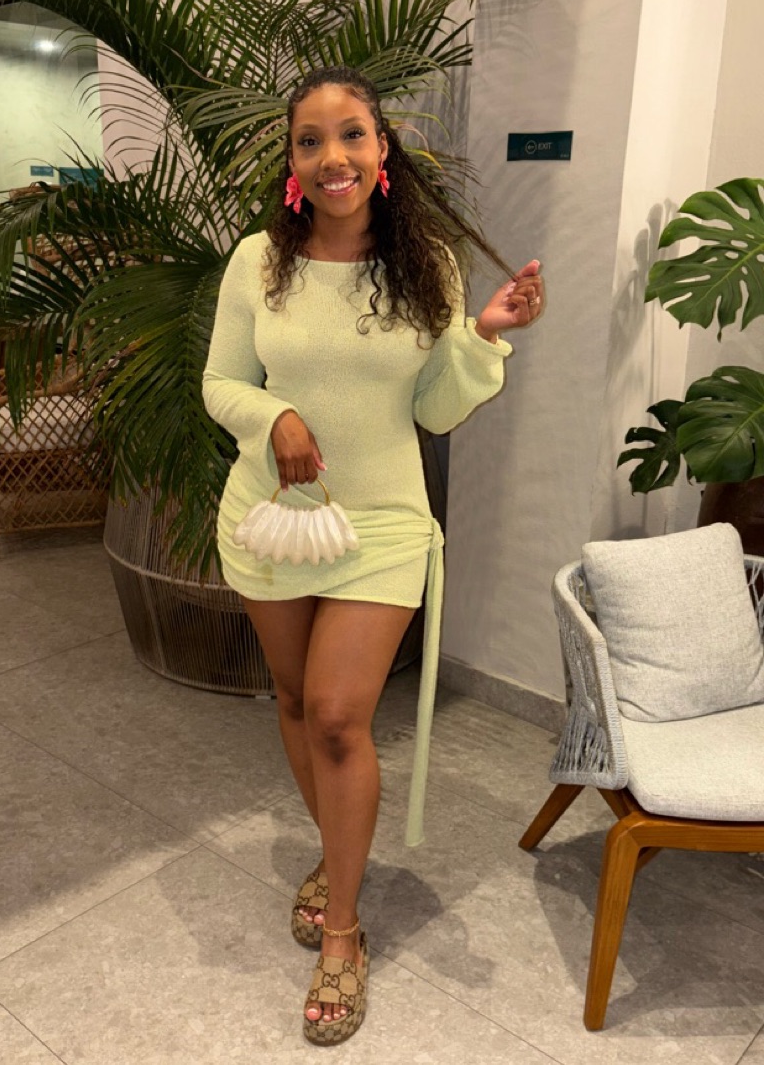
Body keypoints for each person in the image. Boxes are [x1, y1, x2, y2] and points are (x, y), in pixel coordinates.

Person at [202, 65, 544, 1046]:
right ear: (292, 162)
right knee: (293, 700)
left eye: (350, 134)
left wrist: (483, 335)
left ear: (380, 148)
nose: (332, 157)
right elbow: (221, 384)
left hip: (384, 521)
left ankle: (343, 933)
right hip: (272, 515)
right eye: (309, 140)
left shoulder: (425, 265)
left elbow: (431, 408)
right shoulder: (256, 262)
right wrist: (276, 417)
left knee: (340, 717)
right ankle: (333, 853)